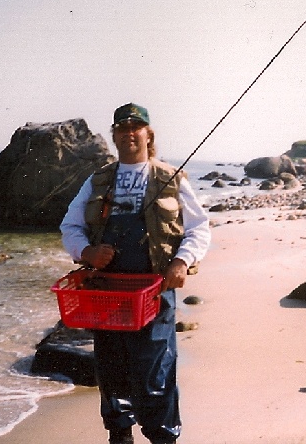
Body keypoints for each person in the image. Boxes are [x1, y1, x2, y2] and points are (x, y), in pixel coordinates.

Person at [60, 103, 211, 444]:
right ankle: (120, 437)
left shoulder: (170, 177)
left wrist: (181, 261)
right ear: (114, 135)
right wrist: (87, 252)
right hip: (107, 293)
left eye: (136, 127)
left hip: (154, 293)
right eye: (122, 127)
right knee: (111, 372)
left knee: (155, 372)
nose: (129, 132)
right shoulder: (98, 179)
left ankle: (164, 438)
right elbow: (70, 225)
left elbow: (199, 228)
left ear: (148, 134)